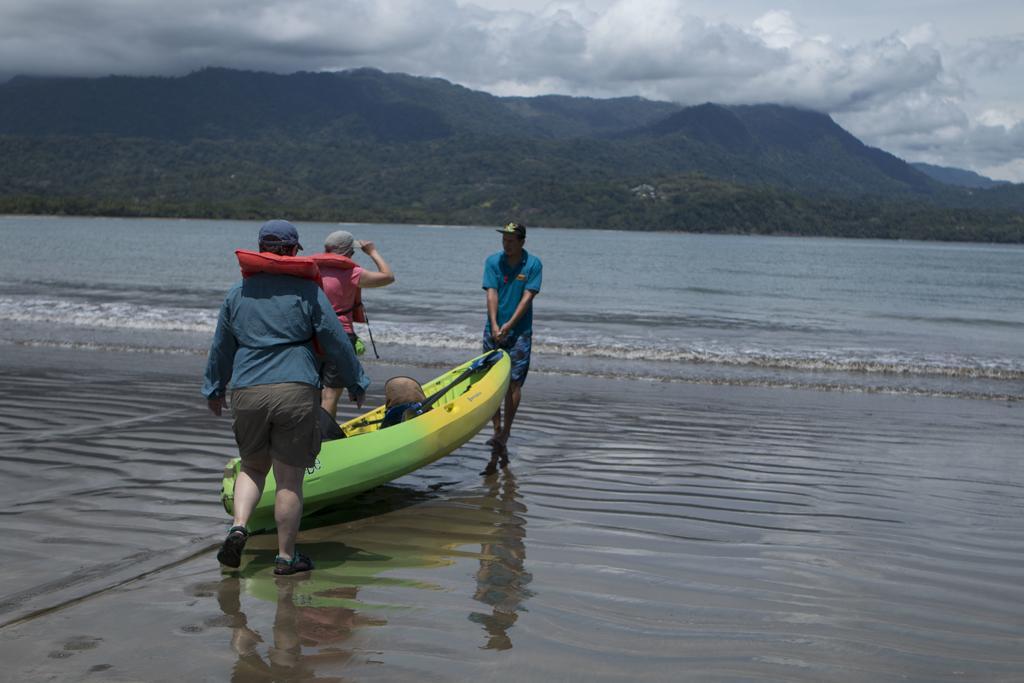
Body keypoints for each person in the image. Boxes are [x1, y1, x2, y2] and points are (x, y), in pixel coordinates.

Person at [203, 219, 370, 576]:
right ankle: (285, 557)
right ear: (295, 251)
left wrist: (214, 387)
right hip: (294, 387)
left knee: (252, 466)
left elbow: (221, 347)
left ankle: (239, 527)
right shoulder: (308, 293)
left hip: (247, 388)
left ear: (261, 250)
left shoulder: (237, 293)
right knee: (289, 479)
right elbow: (335, 340)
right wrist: (356, 381)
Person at [313, 230, 395, 418]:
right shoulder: (352, 273)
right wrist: (373, 252)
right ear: (348, 252)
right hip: (340, 334)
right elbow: (388, 276)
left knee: (313, 389)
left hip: (312, 334)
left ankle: (309, 434)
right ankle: (325, 439)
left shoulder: (311, 269)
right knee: (331, 393)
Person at [481, 222, 542, 466]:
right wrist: (495, 324)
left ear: (522, 242)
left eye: (511, 240)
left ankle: (506, 431)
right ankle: (496, 429)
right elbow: (491, 293)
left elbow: (528, 297)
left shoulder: (533, 264)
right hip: (492, 330)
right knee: (491, 381)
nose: (506, 244)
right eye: (504, 239)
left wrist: (509, 325)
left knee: (514, 383)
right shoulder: (493, 261)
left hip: (520, 332)